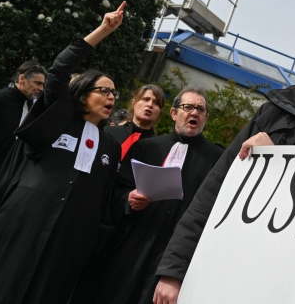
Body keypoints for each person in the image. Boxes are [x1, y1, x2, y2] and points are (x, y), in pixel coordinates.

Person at [153, 26, 295, 303]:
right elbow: (213, 191)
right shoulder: (275, 110)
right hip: (222, 271)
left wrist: (276, 163)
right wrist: (174, 270)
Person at [0, 2, 125, 304]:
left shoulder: (111, 146)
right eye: (103, 90)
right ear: (83, 95)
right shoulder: (58, 120)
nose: (111, 97)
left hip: (68, 238)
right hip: (24, 219)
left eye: (114, 93)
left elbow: (104, 200)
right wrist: (102, 30)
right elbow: (59, 71)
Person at [72, 87, 224, 304]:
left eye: (200, 109)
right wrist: (128, 200)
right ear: (174, 113)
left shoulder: (218, 159)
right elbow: (116, 191)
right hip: (134, 244)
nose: (194, 113)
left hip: (173, 256)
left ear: (206, 117)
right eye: (188, 107)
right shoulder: (147, 147)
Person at [0, 60, 46, 223]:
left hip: (12, 175)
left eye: (43, 85)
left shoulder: (33, 108)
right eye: (37, 83)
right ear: (22, 79)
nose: (41, 89)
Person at [105, 84, 165, 160]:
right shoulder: (108, 132)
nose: (150, 105)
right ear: (134, 103)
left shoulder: (159, 150)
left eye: (156, 103)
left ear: (159, 112)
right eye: (146, 99)